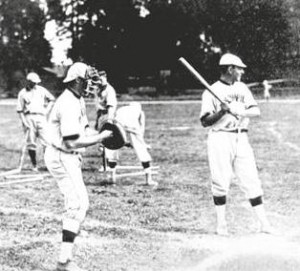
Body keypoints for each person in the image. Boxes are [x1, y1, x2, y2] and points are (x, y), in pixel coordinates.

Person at [44, 62, 113, 271]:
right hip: (61, 156)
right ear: (76, 81)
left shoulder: (78, 99)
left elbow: (83, 133)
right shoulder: (68, 103)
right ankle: (63, 262)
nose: (91, 84)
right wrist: (101, 137)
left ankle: (65, 254)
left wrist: (106, 135)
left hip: (67, 156)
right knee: (77, 205)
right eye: (87, 80)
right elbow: (72, 141)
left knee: (78, 205)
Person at [199, 53, 274, 236]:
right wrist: (222, 112)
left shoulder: (242, 88)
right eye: (239, 68)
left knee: (251, 180)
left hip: (241, 138)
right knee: (221, 181)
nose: (242, 71)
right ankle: (221, 225)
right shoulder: (210, 90)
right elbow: (205, 121)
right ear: (230, 69)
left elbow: (256, 111)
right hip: (220, 138)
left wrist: (238, 109)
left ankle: (263, 224)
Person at [105, 102, 158, 186]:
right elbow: (141, 130)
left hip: (117, 122)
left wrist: (125, 142)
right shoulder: (140, 112)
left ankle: (112, 178)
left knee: (113, 149)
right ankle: (149, 180)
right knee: (142, 151)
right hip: (131, 124)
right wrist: (142, 144)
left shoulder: (122, 109)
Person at [16, 72, 55, 171]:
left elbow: (52, 99)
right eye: (33, 82)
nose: (35, 84)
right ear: (28, 82)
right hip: (29, 118)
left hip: (41, 117)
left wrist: (47, 111)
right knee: (31, 143)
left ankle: (49, 165)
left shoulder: (41, 90)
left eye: (36, 82)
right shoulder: (22, 93)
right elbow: (20, 110)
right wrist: (24, 122)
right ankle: (34, 166)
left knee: (47, 142)